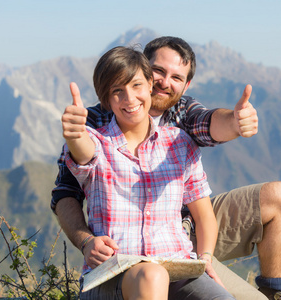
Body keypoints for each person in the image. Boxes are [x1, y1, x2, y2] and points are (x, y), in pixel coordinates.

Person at [52, 36, 281, 300]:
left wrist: (236, 124)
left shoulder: (180, 124)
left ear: (185, 84)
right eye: (159, 71)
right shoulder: (94, 127)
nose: (165, 82)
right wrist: (87, 241)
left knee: (280, 199)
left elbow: (209, 123)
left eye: (176, 77)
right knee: (152, 276)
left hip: (181, 242)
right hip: (123, 261)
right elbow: (75, 172)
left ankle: (273, 295)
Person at [62, 46, 235, 299]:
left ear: (150, 86)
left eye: (136, 86)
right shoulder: (97, 142)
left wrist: (205, 258)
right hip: (113, 274)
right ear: (107, 100)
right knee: (152, 276)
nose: (130, 99)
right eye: (117, 91)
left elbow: (204, 215)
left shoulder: (180, 143)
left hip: (178, 269)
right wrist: (74, 135)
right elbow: (83, 152)